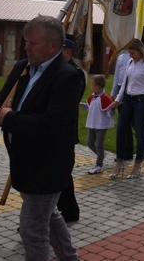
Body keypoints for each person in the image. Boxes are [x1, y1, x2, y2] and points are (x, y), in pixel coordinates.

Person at [0, 15, 81, 260]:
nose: (26, 47)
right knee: (49, 216)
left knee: (33, 231)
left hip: (47, 168)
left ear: (54, 46)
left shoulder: (67, 76)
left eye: (33, 43)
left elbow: (51, 125)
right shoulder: (22, 67)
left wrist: (8, 119)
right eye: (25, 42)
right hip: (22, 163)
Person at [109, 39, 144, 179]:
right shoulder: (131, 62)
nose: (131, 55)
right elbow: (124, 83)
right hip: (128, 100)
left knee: (139, 132)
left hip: (142, 101)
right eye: (129, 53)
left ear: (140, 51)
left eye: (133, 53)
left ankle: (137, 165)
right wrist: (118, 100)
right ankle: (119, 162)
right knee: (120, 130)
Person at [55, 37, 84, 224]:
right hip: (50, 133)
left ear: (68, 52)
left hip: (63, 130)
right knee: (58, 173)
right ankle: (62, 211)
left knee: (63, 173)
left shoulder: (75, 73)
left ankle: (70, 211)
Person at [80, 74, 114, 175]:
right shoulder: (93, 97)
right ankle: (101, 155)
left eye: (92, 84)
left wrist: (112, 109)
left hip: (101, 126)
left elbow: (109, 111)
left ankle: (99, 164)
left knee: (98, 144)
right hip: (92, 124)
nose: (90, 86)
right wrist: (81, 105)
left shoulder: (105, 98)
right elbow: (90, 106)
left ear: (98, 86)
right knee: (90, 143)